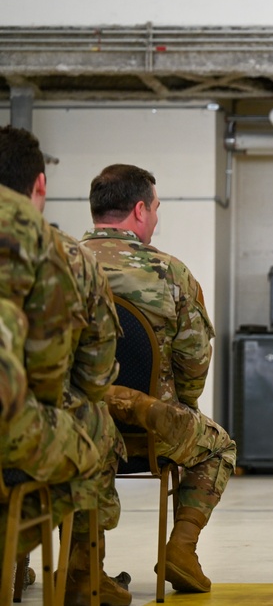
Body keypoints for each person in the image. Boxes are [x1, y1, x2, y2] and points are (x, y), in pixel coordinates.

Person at [80, 163, 237, 594]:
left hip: (75, 429)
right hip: (151, 432)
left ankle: (78, 564)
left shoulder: (60, 264)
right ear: (139, 210)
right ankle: (180, 551)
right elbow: (193, 361)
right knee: (219, 447)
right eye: (155, 208)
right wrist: (182, 406)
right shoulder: (170, 273)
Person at [0, 125, 130, 604]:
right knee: (92, 427)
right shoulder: (66, 254)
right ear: (40, 186)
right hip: (13, 429)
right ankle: (80, 572)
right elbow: (81, 376)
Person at [0, 184, 101, 558]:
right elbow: (55, 367)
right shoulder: (48, 238)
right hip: (10, 421)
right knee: (87, 449)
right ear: (40, 183)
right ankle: (78, 575)